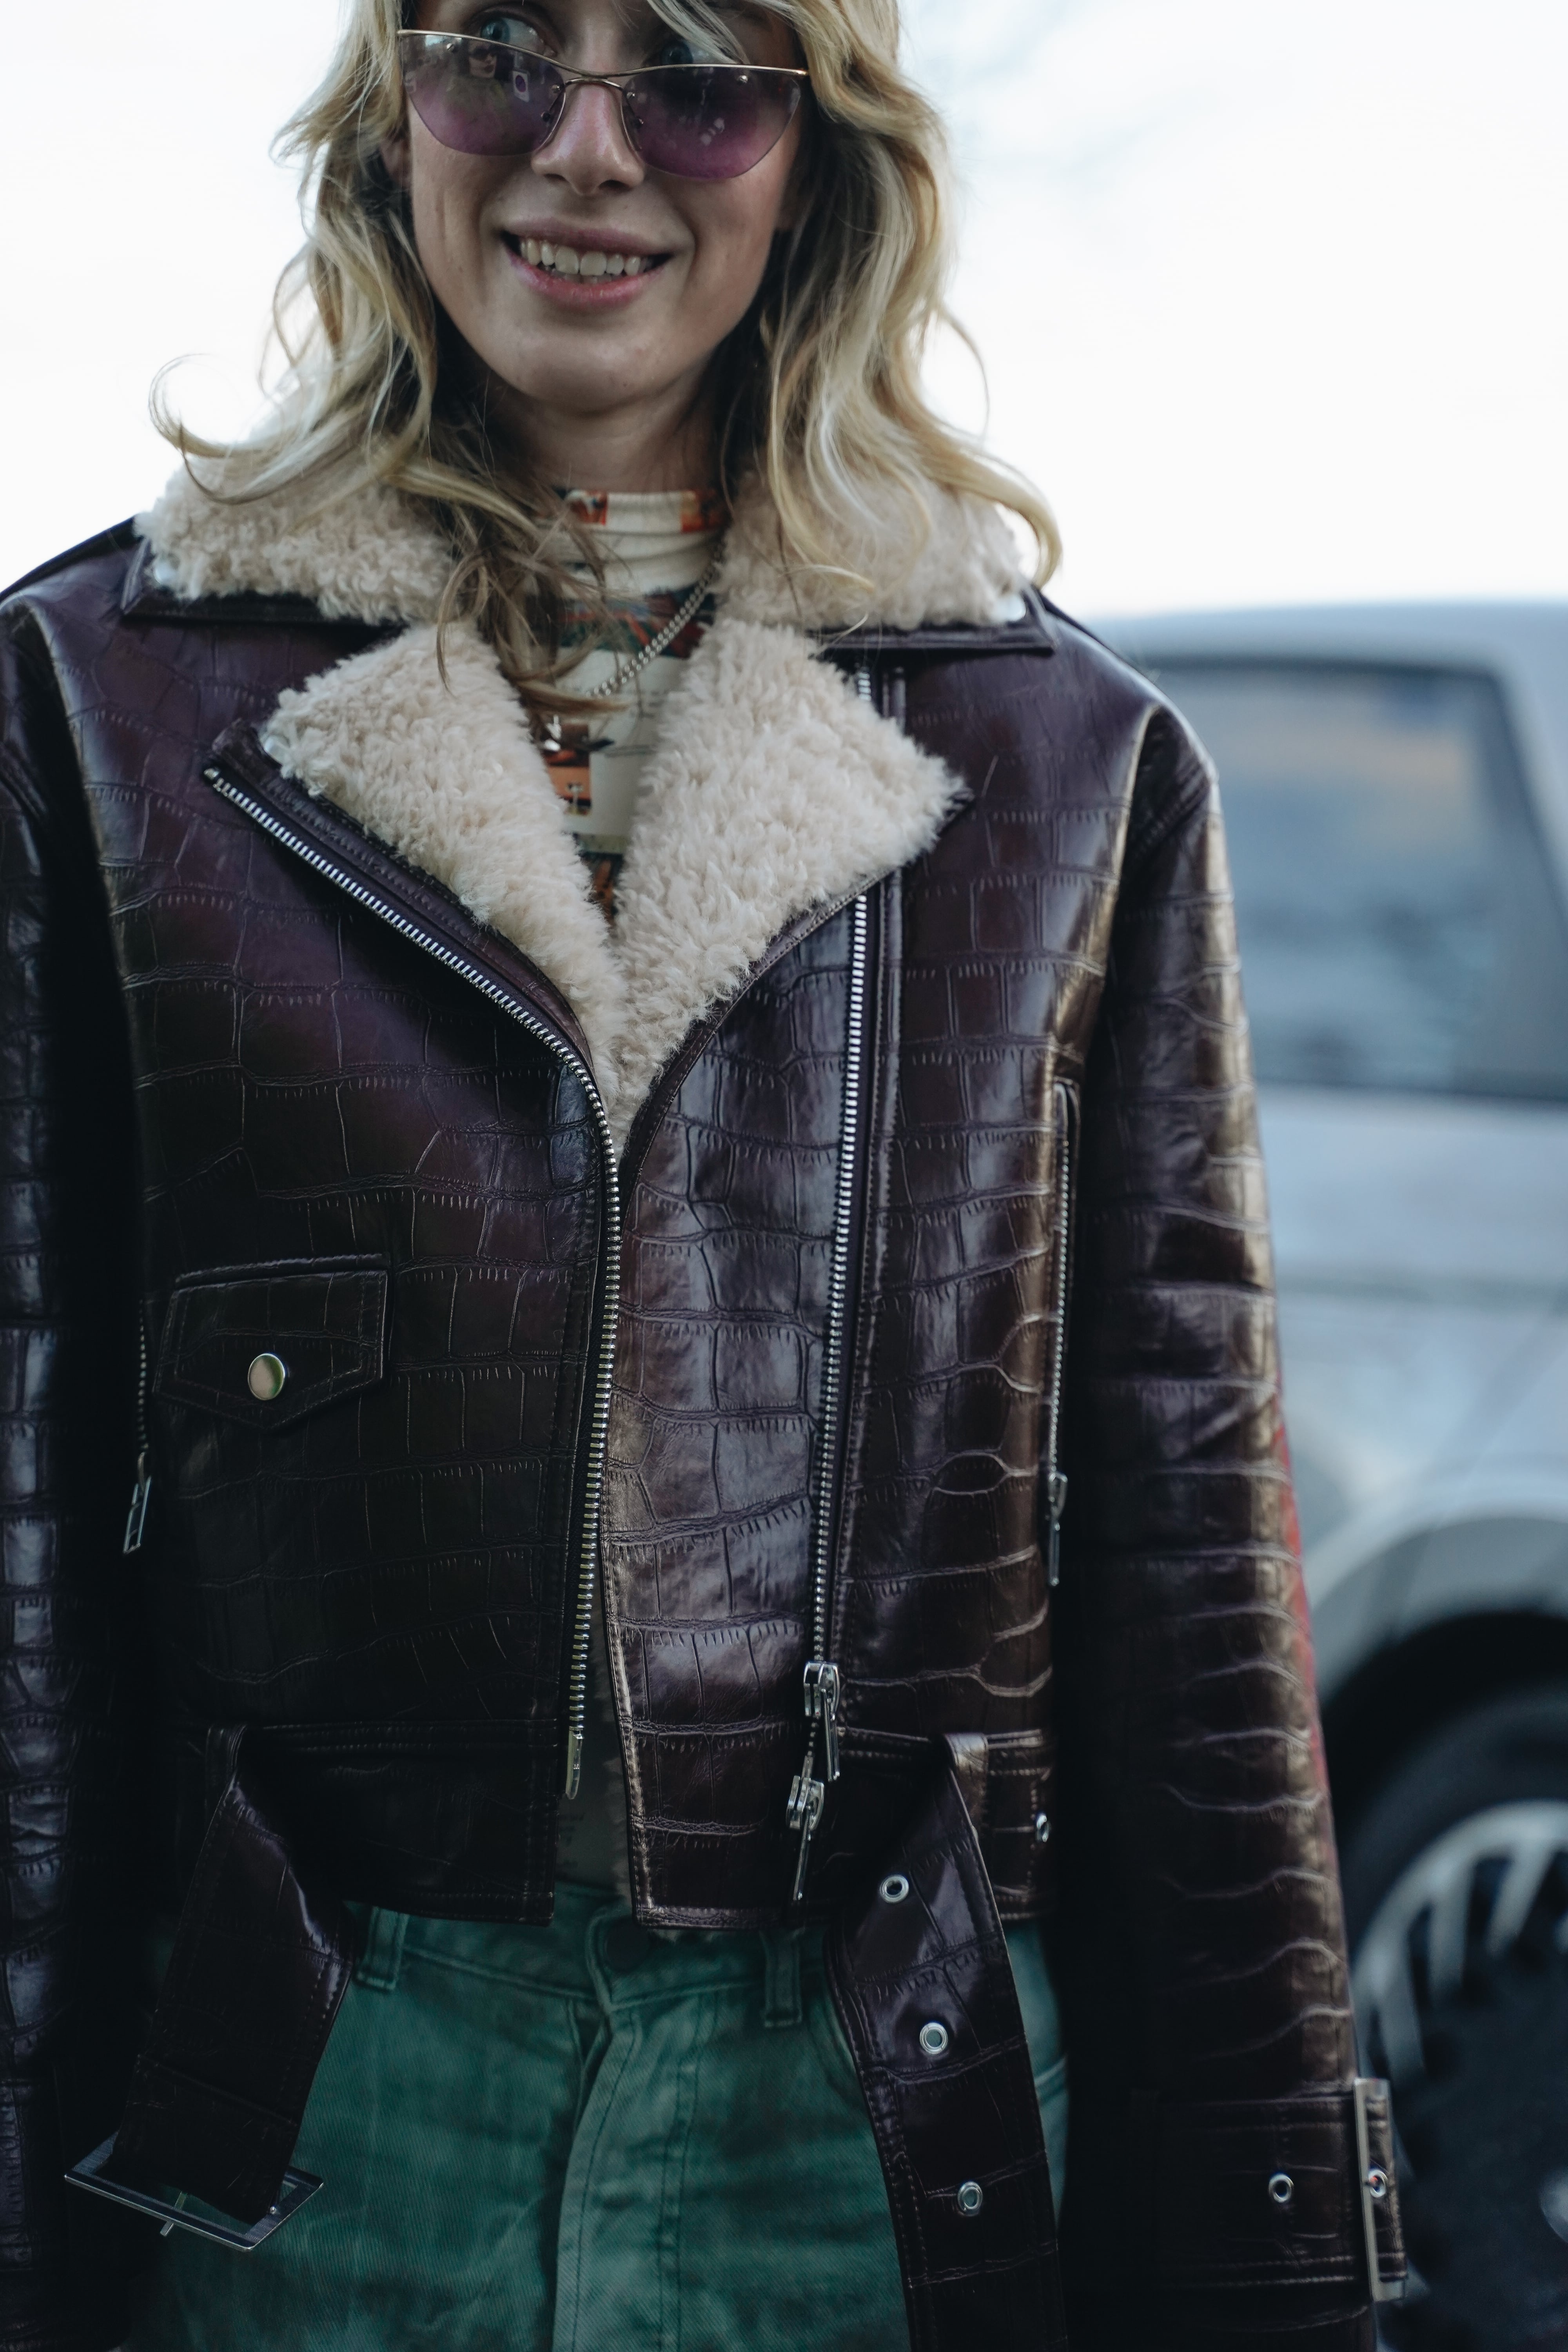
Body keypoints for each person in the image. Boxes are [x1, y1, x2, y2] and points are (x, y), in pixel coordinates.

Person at [0, 1, 1405, 2347]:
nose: (586, 150)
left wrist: (1270, 2236)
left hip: (871, 2104)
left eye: (693, 75)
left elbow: (1188, 1552)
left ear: (814, 154)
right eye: (497, 55)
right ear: (392, 116)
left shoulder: (1070, 759)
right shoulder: (99, 703)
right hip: (305, 2081)